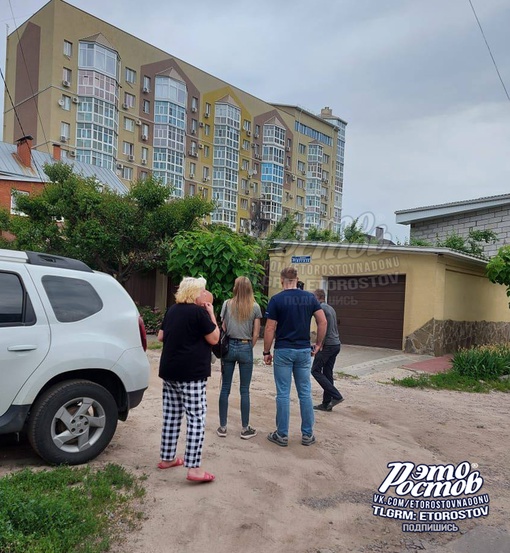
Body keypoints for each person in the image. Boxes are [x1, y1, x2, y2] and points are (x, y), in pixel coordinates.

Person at [157, 277, 219, 483]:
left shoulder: (172, 310)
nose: (205, 293)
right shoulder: (199, 312)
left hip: (170, 370)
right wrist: (211, 314)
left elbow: (160, 337)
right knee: (196, 418)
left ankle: (167, 458)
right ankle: (194, 468)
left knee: (171, 415)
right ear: (194, 292)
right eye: (203, 290)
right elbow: (214, 339)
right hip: (191, 373)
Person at [263, 267, 327, 447]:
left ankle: (282, 435)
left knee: (283, 393)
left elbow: (269, 328)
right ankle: (307, 434)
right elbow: (322, 321)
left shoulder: (276, 300)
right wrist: (318, 344)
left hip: (283, 350)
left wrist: (266, 352)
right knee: (304, 392)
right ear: (297, 279)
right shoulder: (309, 298)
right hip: (303, 351)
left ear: (281, 280)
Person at [217, 276, 262, 439]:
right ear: (250, 289)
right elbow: (256, 332)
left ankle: (222, 427)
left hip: (229, 347)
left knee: (225, 388)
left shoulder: (227, 304)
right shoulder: (255, 306)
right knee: (244, 390)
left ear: (235, 288)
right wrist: (249, 346)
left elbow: (223, 326)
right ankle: (244, 428)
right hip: (245, 346)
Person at [311, 289, 344, 411]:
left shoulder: (320, 309)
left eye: (313, 297)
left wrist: (319, 345)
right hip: (336, 344)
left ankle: (336, 396)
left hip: (328, 345)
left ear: (318, 297)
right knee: (327, 373)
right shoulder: (330, 308)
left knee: (315, 370)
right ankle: (326, 403)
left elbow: (323, 327)